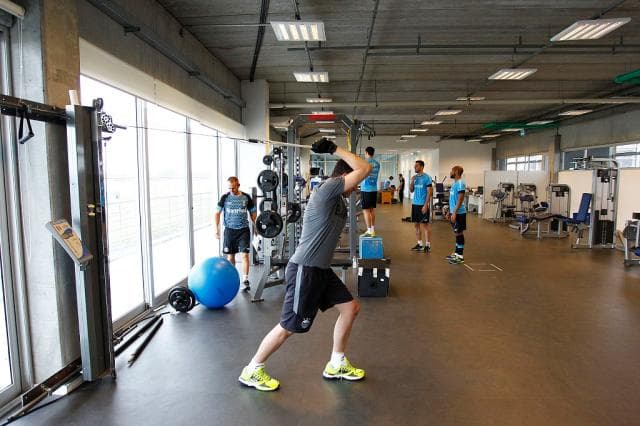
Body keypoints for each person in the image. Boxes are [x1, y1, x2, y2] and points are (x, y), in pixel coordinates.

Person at [238, 138, 372, 392]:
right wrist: (334, 149)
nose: (357, 188)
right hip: (306, 270)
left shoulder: (339, 199)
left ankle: (336, 362)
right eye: (355, 183)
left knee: (350, 308)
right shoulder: (330, 187)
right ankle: (253, 369)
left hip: (321, 271)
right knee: (288, 327)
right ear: (345, 176)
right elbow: (364, 168)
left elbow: (361, 172)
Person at [215, 177, 257, 291]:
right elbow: (217, 213)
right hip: (229, 230)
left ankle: (245, 280)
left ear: (238, 185)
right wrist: (216, 229)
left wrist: (256, 226)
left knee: (244, 255)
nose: (231, 190)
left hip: (243, 230)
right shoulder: (225, 197)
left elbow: (253, 213)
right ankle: (233, 278)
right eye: (229, 188)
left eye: (233, 188)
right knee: (230, 257)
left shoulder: (246, 197)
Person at [409, 161, 433, 253]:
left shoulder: (427, 177)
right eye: (414, 165)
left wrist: (426, 205)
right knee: (416, 225)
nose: (415, 167)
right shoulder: (415, 178)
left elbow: (429, 192)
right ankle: (419, 244)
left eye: (417, 166)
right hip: (415, 204)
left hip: (423, 204)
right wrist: (412, 181)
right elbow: (411, 190)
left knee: (425, 225)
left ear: (422, 167)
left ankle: (428, 245)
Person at [445, 166, 467, 265]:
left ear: (456, 172)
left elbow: (460, 199)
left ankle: (460, 256)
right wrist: (449, 212)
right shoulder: (455, 184)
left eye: (452, 171)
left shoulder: (460, 183)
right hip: (453, 212)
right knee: (456, 233)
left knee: (459, 233)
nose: (450, 172)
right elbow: (452, 200)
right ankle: (456, 253)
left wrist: (454, 212)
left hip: (459, 213)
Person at [360, 146, 380, 237]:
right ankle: (372, 230)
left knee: (365, 210)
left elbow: (361, 174)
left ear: (366, 152)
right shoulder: (377, 163)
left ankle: (369, 230)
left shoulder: (365, 162)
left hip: (366, 189)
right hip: (374, 189)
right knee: (371, 210)